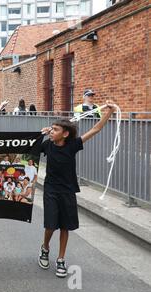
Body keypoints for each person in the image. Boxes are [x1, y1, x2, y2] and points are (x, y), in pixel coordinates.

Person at [38, 101, 116, 278]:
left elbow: (95, 130)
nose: (52, 131)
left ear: (65, 134)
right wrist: (39, 133)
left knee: (65, 226)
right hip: (50, 189)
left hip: (68, 190)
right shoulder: (47, 145)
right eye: (51, 128)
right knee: (50, 225)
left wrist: (108, 112)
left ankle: (61, 259)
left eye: (55, 130)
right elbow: (28, 146)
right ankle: (45, 248)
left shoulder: (72, 145)